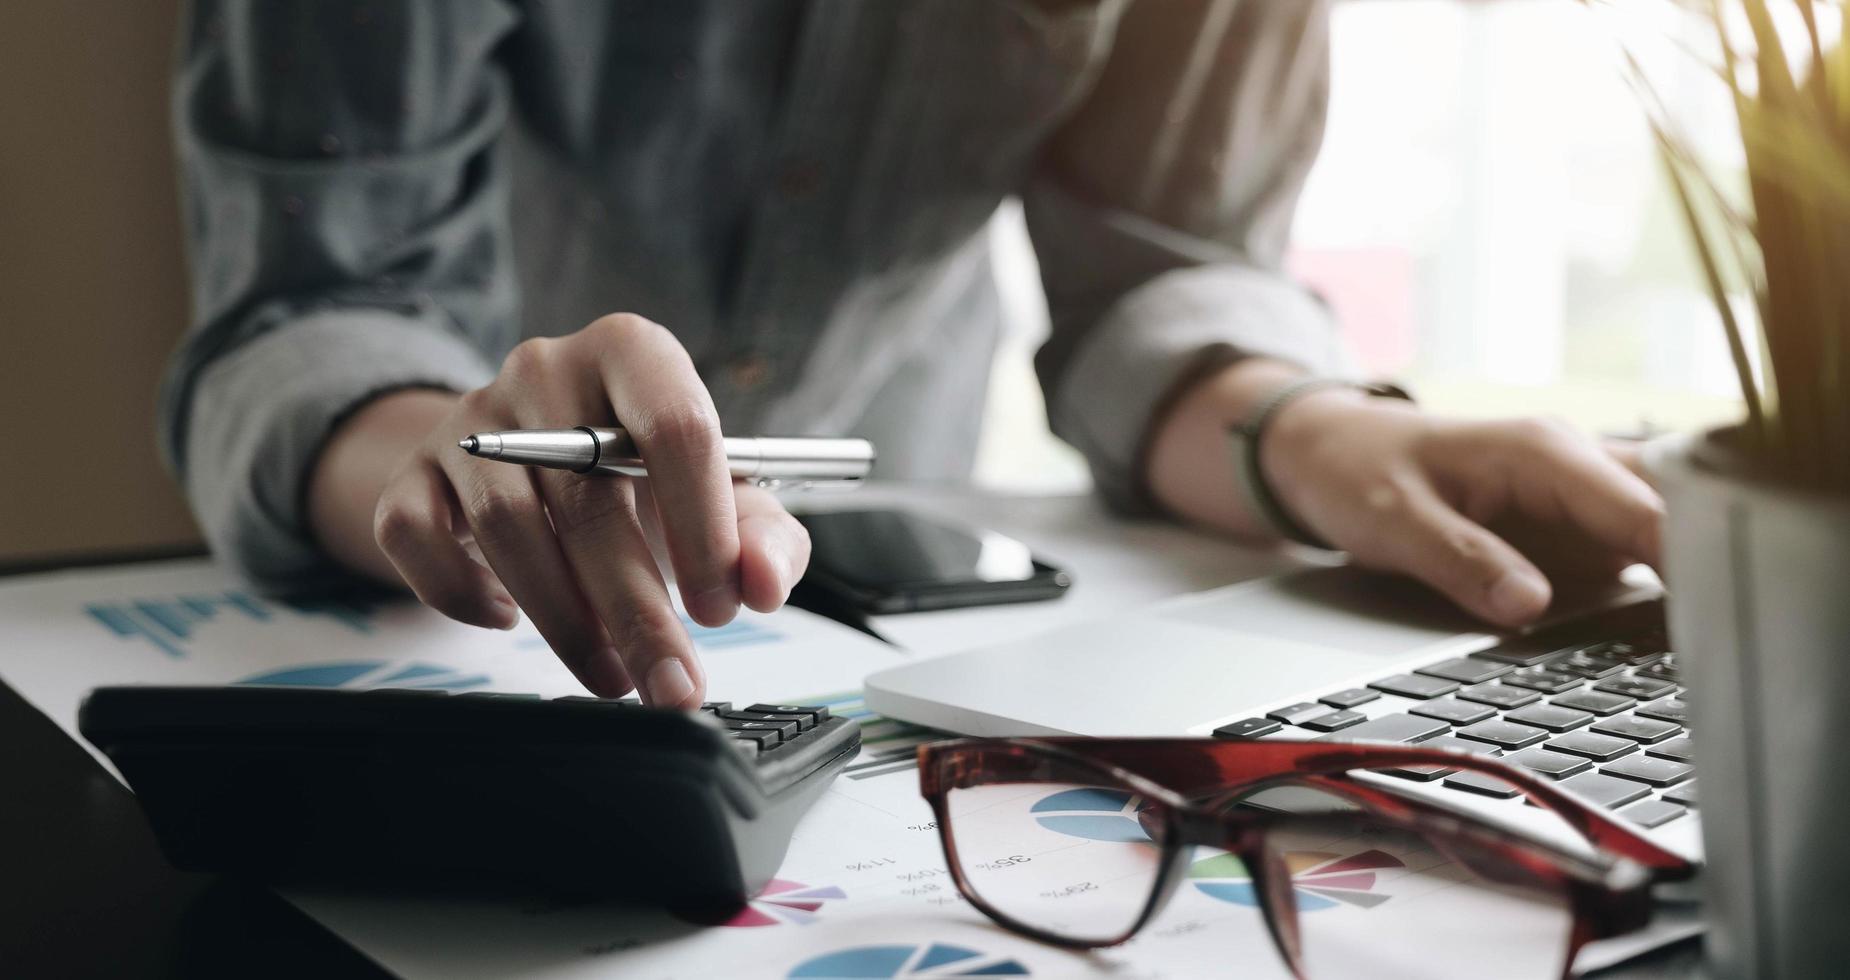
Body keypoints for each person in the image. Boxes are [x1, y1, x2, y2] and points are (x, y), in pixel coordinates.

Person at [162, 1, 1662, 710]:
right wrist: (442, 444)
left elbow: (1159, 275)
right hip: (445, 606)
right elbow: (309, 302)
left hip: (911, 571)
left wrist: (1316, 436)